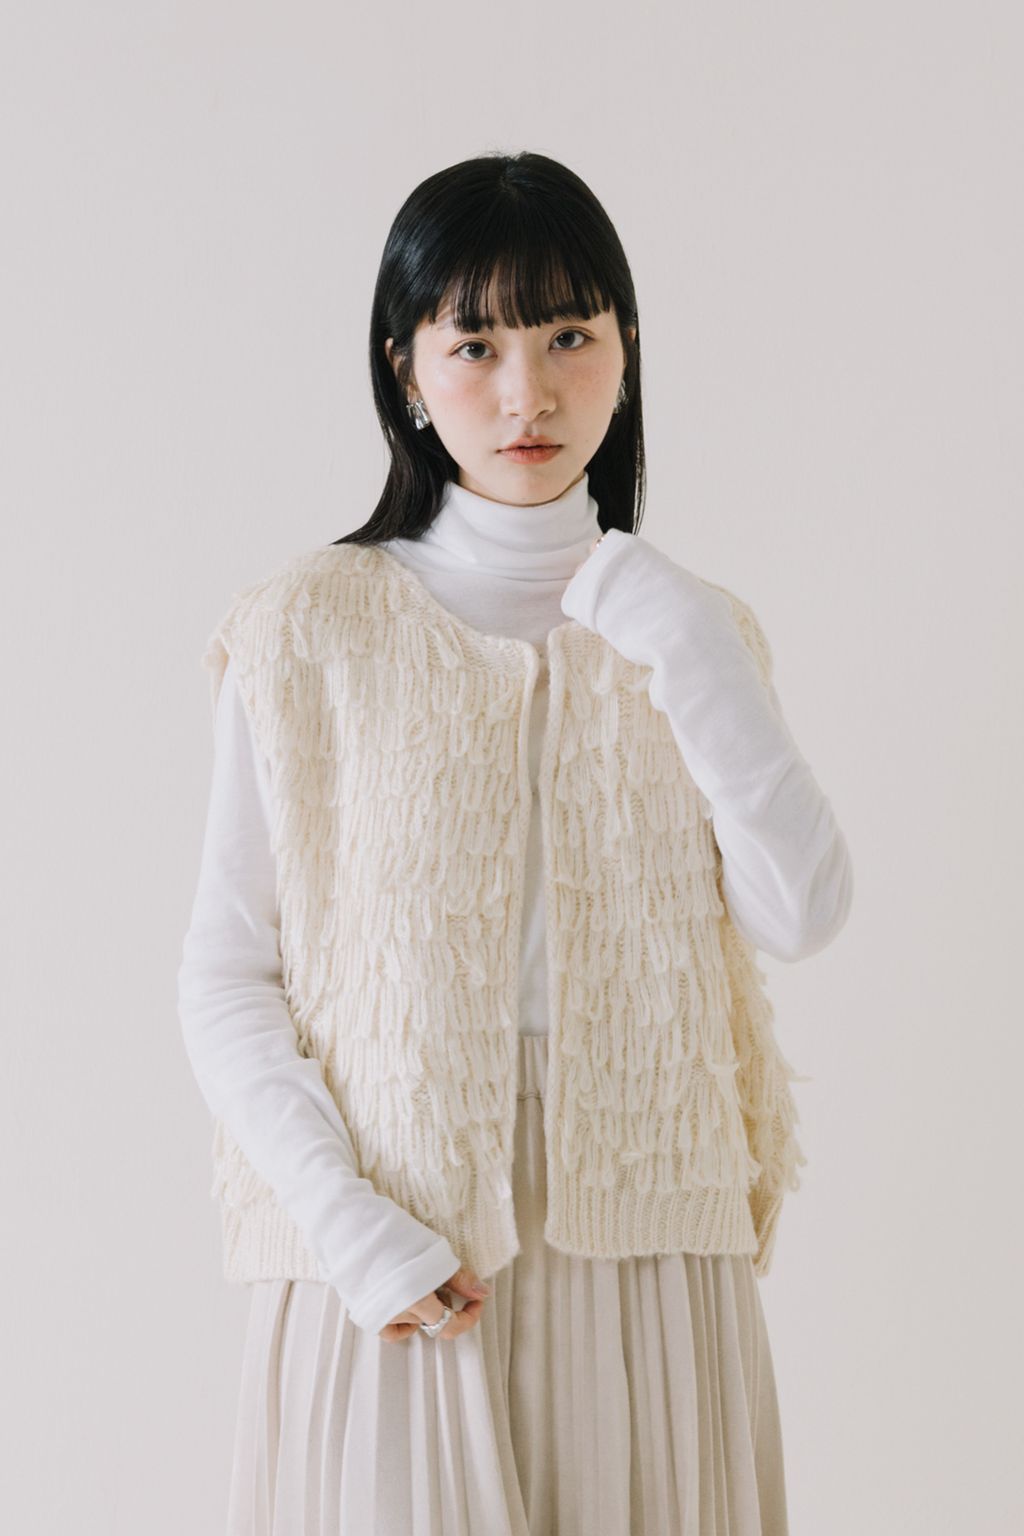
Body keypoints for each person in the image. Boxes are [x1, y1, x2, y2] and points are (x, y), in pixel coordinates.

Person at [177, 149, 853, 1535]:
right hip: (393, 1250)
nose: (527, 393)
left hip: (650, 1246)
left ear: (625, 349)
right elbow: (227, 977)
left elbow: (801, 908)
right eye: (475, 344)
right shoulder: (306, 629)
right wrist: (349, 1226)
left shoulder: (698, 627)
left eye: (568, 338)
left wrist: (682, 639)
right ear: (407, 370)